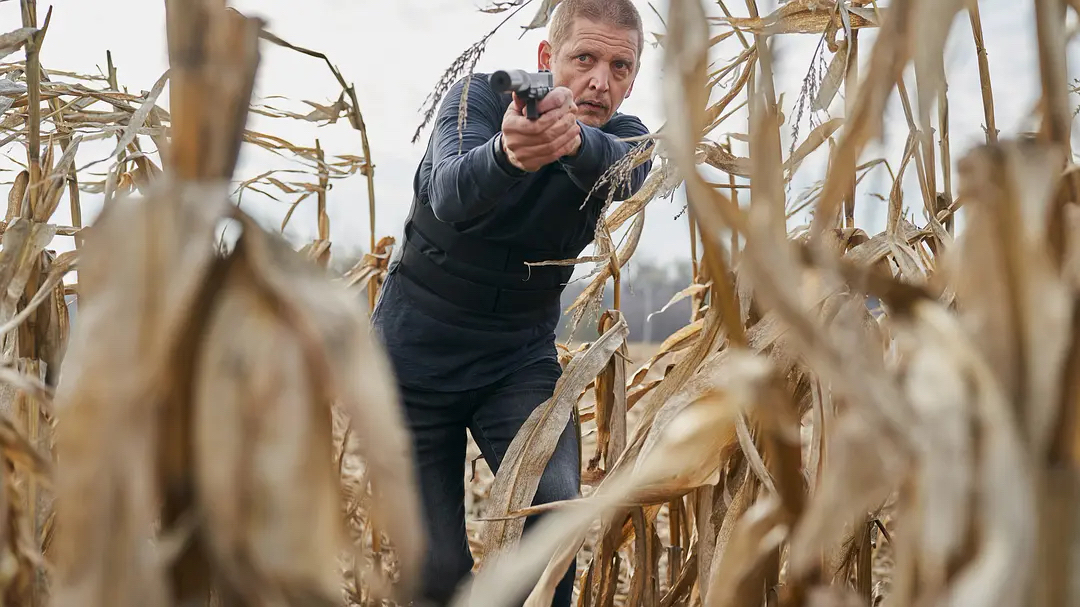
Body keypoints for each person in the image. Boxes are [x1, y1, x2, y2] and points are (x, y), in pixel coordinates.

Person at [370, 1, 652, 605]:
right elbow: (449, 192)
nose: (600, 81)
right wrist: (506, 155)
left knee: (552, 518)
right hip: (413, 358)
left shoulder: (625, 137)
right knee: (436, 572)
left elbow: (628, 172)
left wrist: (570, 141)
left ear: (633, 78)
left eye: (619, 67)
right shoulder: (475, 99)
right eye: (584, 58)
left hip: (517, 361)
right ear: (547, 57)